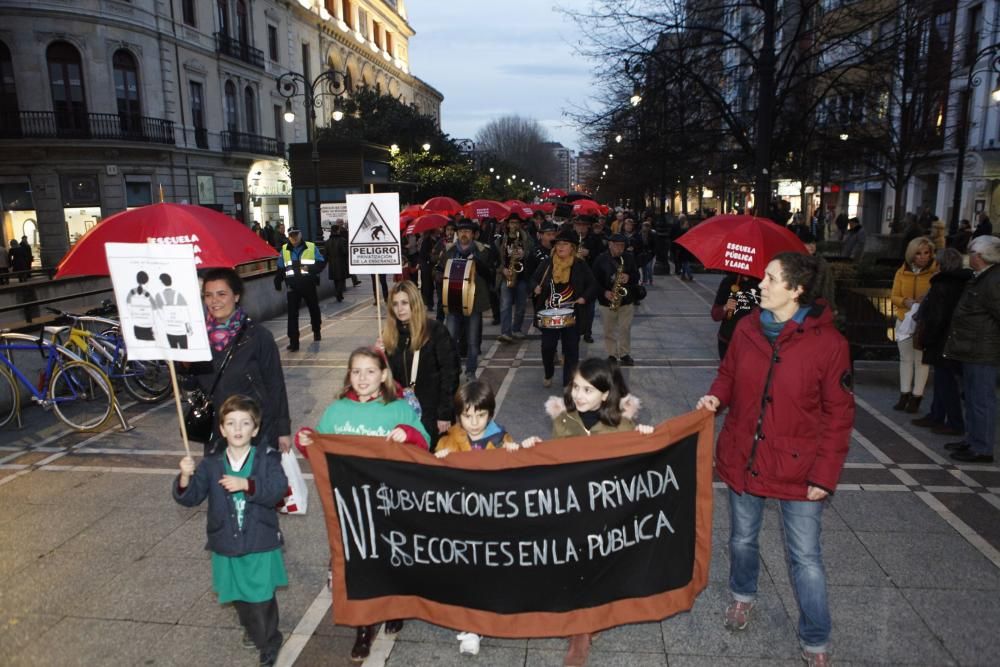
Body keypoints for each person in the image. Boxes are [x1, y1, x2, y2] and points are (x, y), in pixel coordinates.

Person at [696, 253, 854, 667]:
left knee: (806, 557)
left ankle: (816, 639)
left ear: (796, 289)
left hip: (799, 468)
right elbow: (728, 374)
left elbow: (839, 416)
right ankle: (742, 595)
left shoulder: (829, 344)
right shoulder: (747, 327)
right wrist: (717, 396)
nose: (760, 285)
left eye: (769, 279)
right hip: (744, 454)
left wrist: (825, 474)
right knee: (742, 539)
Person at [295, 346, 429, 661]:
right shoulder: (337, 410)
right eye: (356, 371)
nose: (362, 378)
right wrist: (306, 440)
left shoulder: (397, 409)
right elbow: (321, 449)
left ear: (383, 375)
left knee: (392, 559)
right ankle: (363, 628)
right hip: (352, 508)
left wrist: (407, 432)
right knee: (360, 568)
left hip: (390, 505)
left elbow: (424, 444)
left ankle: (395, 607)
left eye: (370, 371)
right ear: (348, 375)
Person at [520, 357, 653, 666]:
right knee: (575, 564)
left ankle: (590, 622)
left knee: (601, 566)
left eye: (588, 390)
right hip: (573, 510)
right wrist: (535, 447)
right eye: (576, 387)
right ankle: (580, 624)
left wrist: (648, 437)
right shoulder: (563, 421)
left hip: (608, 514)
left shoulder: (622, 425)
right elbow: (555, 464)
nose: (579, 395)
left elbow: (638, 468)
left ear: (606, 394)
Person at [174, 395, 288, 667]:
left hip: (259, 539)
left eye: (245, 423)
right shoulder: (212, 464)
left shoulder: (267, 459)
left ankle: (269, 640)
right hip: (225, 540)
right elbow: (190, 497)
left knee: (260, 596)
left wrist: (247, 485)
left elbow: (277, 491)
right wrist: (185, 476)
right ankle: (252, 627)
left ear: (255, 429)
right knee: (236, 594)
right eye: (231, 423)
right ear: (222, 430)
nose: (238, 429)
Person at [194, 268, 291, 454]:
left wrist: (283, 430)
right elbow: (193, 386)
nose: (214, 301)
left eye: (221, 294)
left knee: (254, 482)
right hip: (218, 432)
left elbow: (275, 384)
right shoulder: (198, 339)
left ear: (236, 296)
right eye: (208, 295)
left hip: (256, 430)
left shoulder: (258, 336)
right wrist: (181, 364)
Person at [379, 280, 460, 450]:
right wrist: (379, 356)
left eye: (404, 303)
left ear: (414, 303)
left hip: (433, 412)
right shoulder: (389, 335)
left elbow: (450, 374)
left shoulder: (435, 330)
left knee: (434, 462)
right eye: (395, 304)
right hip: (403, 413)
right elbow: (386, 380)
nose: (400, 309)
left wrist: (444, 413)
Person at [943, 235, 1000, 463]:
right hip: (970, 348)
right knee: (972, 397)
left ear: (980, 256)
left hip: (983, 350)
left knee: (981, 399)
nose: (969, 256)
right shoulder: (981, 277)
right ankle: (972, 439)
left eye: (971, 252)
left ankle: (982, 447)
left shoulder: (994, 280)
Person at [911, 248, 972, 437]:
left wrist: (928, 337)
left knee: (946, 381)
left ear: (941, 265)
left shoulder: (943, 284)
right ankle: (937, 414)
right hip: (952, 337)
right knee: (942, 379)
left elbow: (937, 316)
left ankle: (953, 422)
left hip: (942, 338)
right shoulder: (963, 282)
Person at [530, 227, 598, 388]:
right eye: (558, 244)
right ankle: (549, 372)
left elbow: (593, 285)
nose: (560, 247)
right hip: (549, 314)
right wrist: (535, 288)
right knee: (547, 347)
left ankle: (568, 382)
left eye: (565, 244)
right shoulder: (547, 263)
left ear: (572, 248)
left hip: (571, 314)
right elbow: (533, 279)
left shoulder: (579, 265)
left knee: (571, 350)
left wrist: (584, 298)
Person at [890, 236, 938, 413]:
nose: (923, 256)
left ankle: (917, 397)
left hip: (923, 323)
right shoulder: (901, 272)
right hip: (904, 320)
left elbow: (939, 296)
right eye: (918, 253)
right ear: (912, 254)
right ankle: (904, 394)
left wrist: (926, 299)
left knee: (921, 361)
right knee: (905, 359)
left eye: (926, 253)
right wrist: (905, 302)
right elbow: (894, 296)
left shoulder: (935, 273)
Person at [442, 220, 495, 383]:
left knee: (473, 341)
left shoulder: (483, 251)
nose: (464, 234)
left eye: (467, 231)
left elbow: (490, 275)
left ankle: (470, 371)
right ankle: (453, 370)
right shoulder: (449, 251)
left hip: (474, 302)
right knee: (451, 340)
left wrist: (477, 263)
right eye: (461, 231)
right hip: (452, 302)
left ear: (473, 234)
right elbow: (439, 272)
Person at [435, 379, 520, 455]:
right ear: (459, 416)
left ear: (490, 414)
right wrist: (442, 459)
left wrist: (512, 452)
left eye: (481, 415)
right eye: (467, 416)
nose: (474, 423)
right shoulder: (451, 441)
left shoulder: (500, 440)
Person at [275, 228, 327, 352]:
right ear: (288, 237)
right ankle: (294, 342)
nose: (294, 238)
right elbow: (281, 267)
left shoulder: (310, 246)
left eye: (296, 235)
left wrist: (309, 268)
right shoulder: (284, 249)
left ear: (300, 234)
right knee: (292, 315)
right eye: (291, 235)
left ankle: (316, 330)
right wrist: (277, 281)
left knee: (314, 309)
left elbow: (321, 263)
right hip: (292, 286)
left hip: (308, 284)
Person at [593, 233, 640, 365]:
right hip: (607, 301)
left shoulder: (629, 258)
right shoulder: (600, 260)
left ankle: (624, 353)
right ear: (610, 245)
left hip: (626, 300)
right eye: (617, 246)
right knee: (609, 329)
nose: (620, 249)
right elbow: (594, 281)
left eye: (622, 246)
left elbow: (636, 276)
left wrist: (629, 277)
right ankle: (612, 354)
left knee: (625, 328)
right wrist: (604, 292)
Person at [497, 214, 534, 342]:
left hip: (522, 276)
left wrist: (525, 254)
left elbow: (533, 253)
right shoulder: (501, 239)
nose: (514, 225)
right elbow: (495, 259)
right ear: (508, 224)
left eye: (516, 223)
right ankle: (505, 332)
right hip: (506, 275)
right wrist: (503, 269)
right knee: (505, 305)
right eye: (512, 223)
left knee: (521, 306)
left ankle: (516, 329)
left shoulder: (526, 238)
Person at [712, 273, 762, 359]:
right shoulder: (728, 282)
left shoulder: (762, 285)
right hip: (727, 340)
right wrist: (725, 307)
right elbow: (715, 315)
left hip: (751, 342)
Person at [324, 220, 349, 302]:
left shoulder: (327, 242)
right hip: (341, 262)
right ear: (338, 231)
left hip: (332, 263)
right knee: (341, 279)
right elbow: (345, 252)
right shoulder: (342, 241)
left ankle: (339, 295)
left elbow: (325, 254)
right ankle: (338, 293)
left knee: (335, 280)